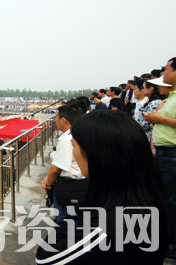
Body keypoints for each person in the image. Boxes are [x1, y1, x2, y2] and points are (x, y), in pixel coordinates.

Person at [36, 110, 168, 264]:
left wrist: (78, 210)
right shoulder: (145, 195)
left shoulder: (105, 229)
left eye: (74, 146)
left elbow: (45, 257)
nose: (73, 153)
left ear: (95, 154)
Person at [144, 57, 176, 256]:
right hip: (164, 153)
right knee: (165, 197)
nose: (163, 74)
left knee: (171, 199)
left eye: (166, 69)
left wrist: (159, 119)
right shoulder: (171, 97)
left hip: (172, 154)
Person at [42, 103, 87, 222]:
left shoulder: (67, 139)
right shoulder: (80, 133)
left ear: (63, 120)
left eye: (56, 118)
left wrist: (49, 184)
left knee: (66, 223)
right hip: (80, 185)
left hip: (70, 187)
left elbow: (54, 169)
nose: (55, 121)